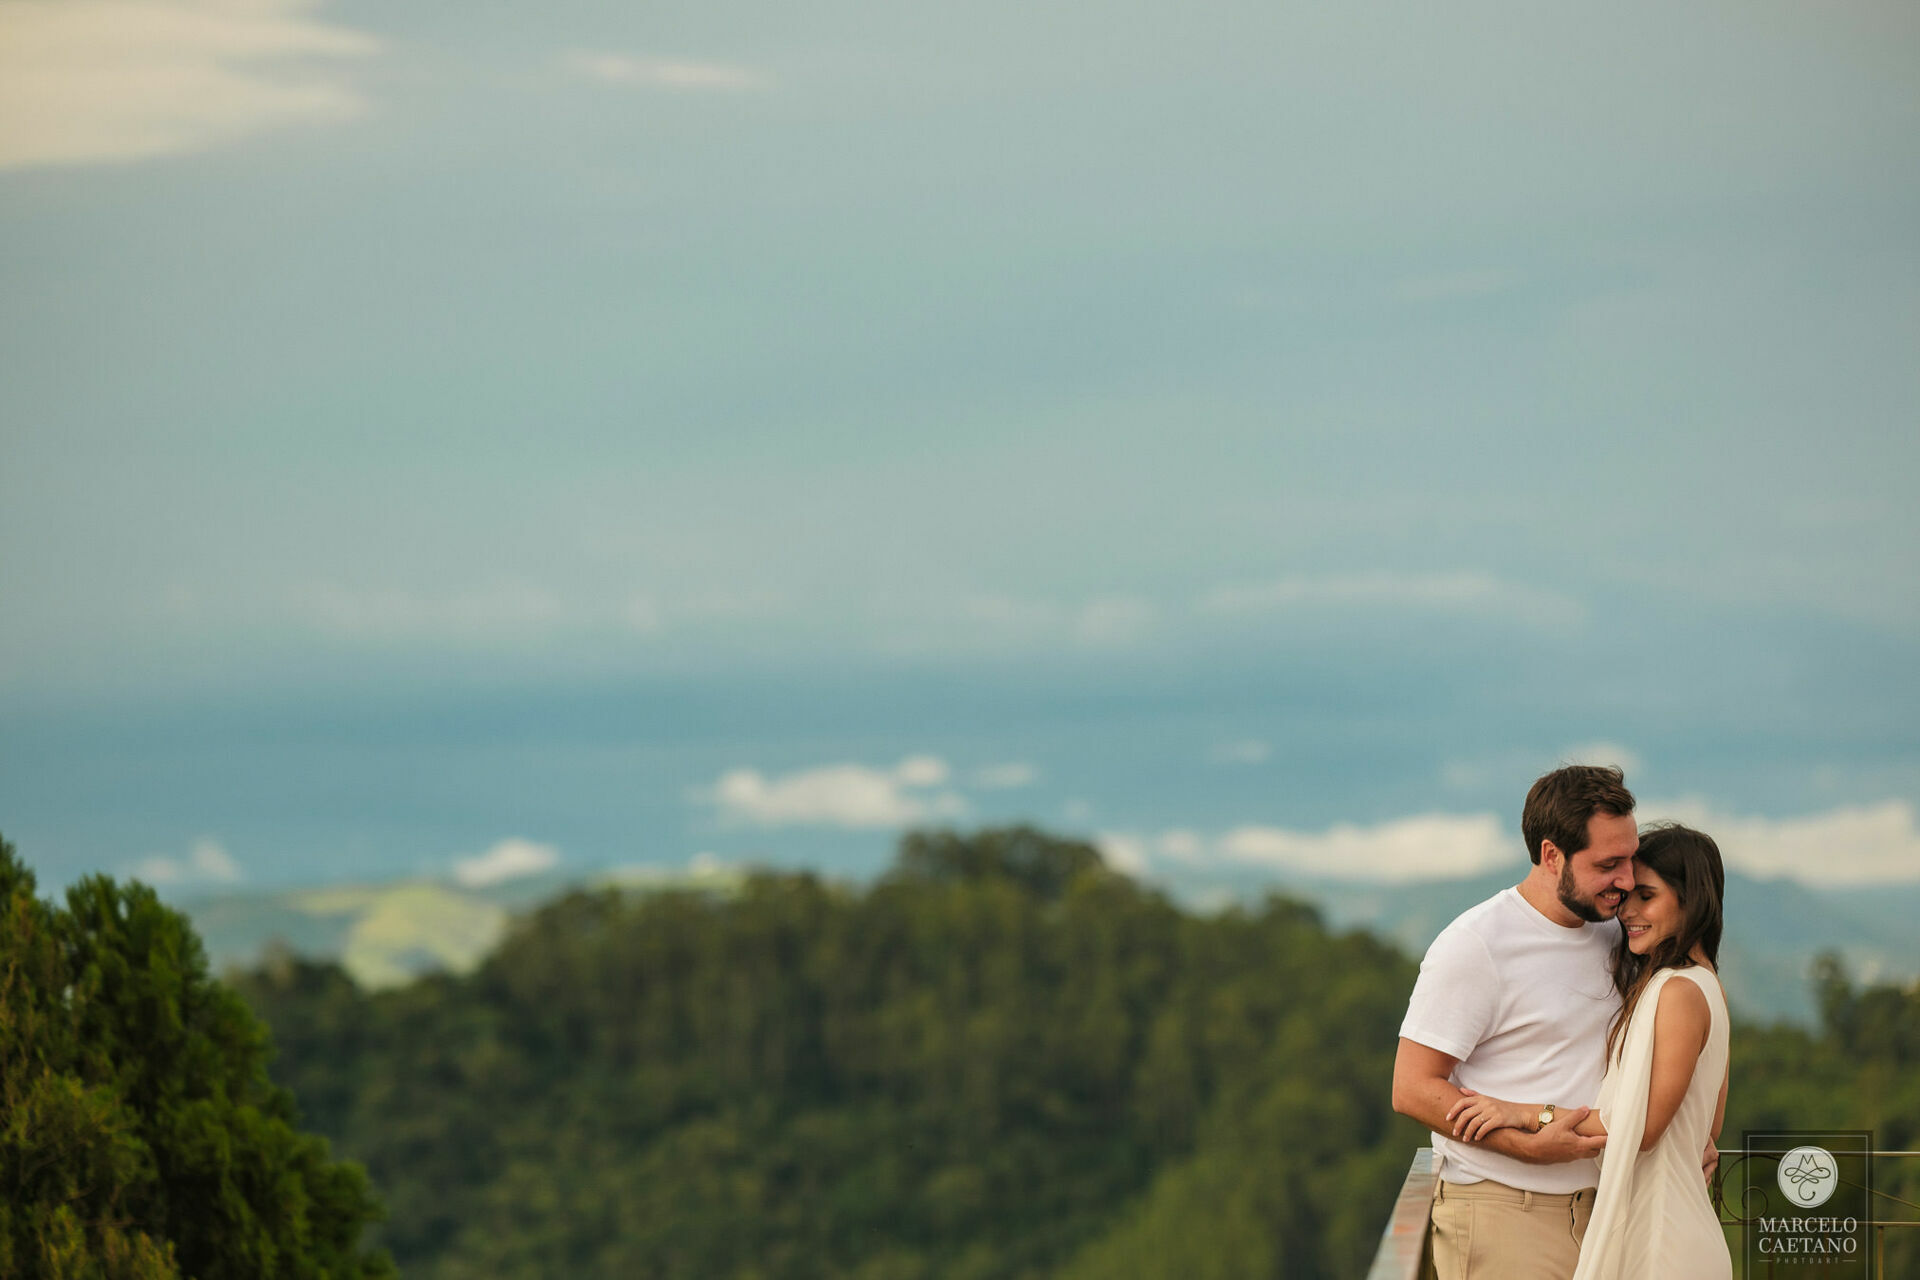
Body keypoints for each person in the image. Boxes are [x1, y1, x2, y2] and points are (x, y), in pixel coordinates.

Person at [1446, 825, 1732, 1280]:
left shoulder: (1676, 991)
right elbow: (1707, 1127)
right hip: (1666, 1222)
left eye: (1647, 896)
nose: (1628, 912)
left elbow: (1641, 1127)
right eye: (1628, 896)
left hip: (1662, 1239)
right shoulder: (1706, 984)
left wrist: (1520, 1113)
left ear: (1690, 899)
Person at [1391, 764, 1639, 1280]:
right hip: (1502, 1211)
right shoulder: (1476, 943)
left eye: (1631, 859)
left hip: (1607, 1210)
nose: (1628, 880)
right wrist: (1525, 1148)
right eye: (1609, 864)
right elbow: (1412, 1088)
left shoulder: (1621, 932)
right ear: (1552, 856)